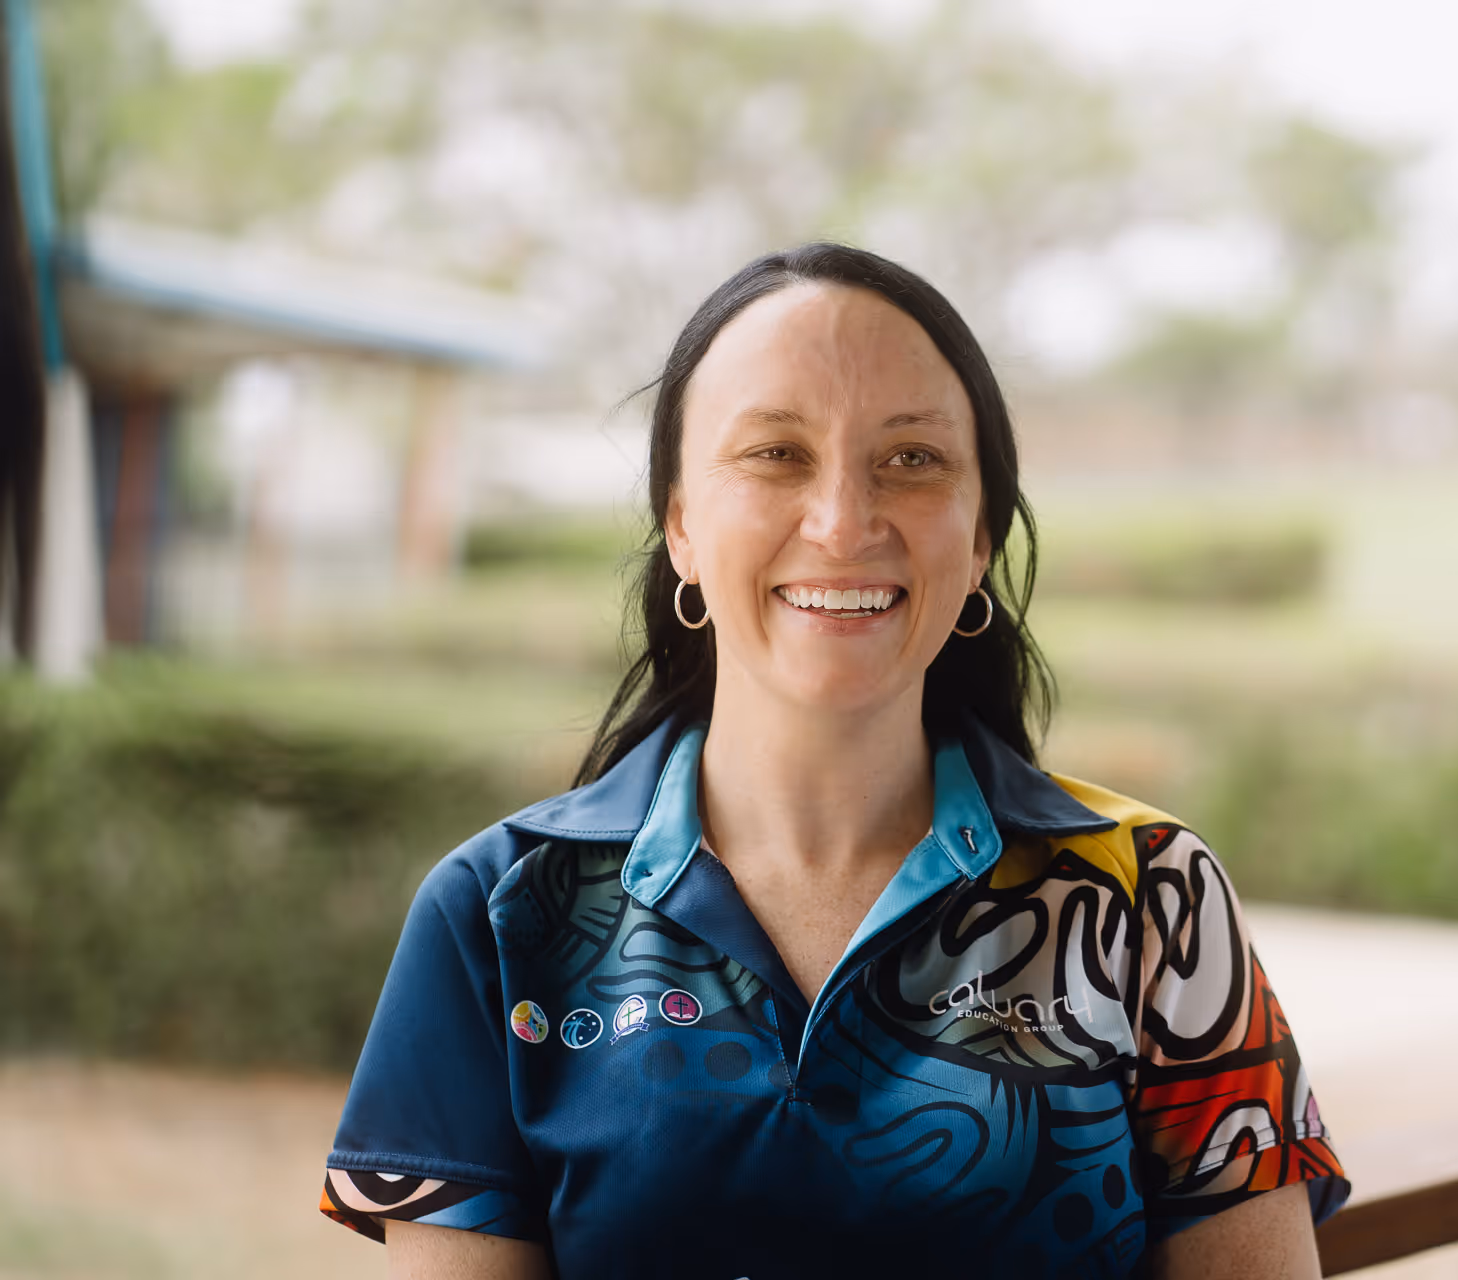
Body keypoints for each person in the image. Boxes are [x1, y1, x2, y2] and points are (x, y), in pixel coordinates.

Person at [318, 242, 1351, 1279]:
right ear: (680, 523)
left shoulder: (1151, 896)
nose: (844, 522)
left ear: (982, 532)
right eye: (776, 453)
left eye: (911, 459)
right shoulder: (497, 914)